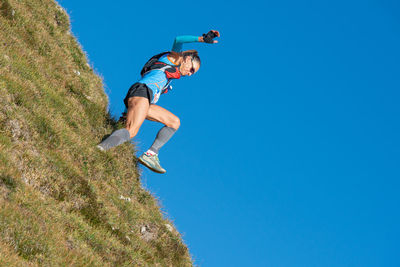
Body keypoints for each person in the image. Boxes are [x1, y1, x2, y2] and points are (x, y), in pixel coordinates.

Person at [97, 30, 220, 174]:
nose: (190, 74)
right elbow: (178, 39)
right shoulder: (173, 59)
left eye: (193, 73)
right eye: (192, 69)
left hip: (145, 100)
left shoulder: (169, 79)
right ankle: (99, 149)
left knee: (174, 122)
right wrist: (201, 39)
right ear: (187, 59)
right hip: (141, 92)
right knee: (132, 131)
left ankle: (151, 154)